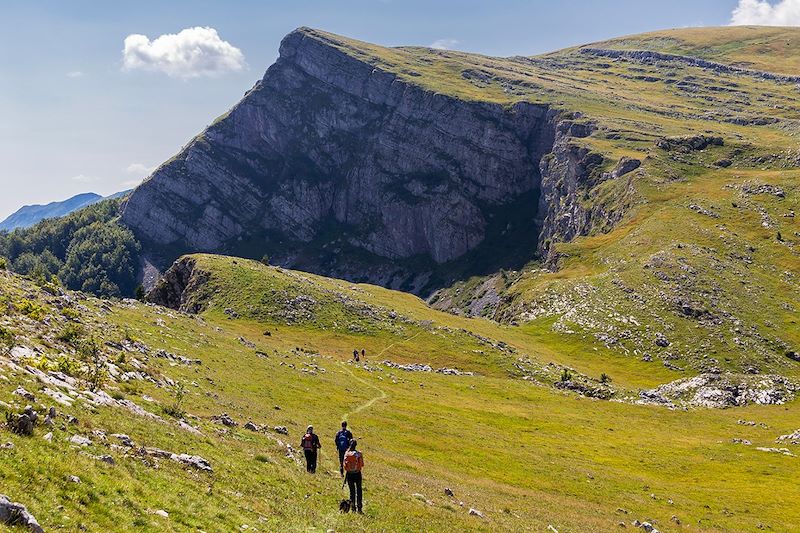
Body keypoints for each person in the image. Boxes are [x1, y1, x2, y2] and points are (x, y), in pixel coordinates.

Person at [343, 439, 364, 513]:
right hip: (357, 474)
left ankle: (353, 508)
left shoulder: (346, 453)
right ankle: (360, 508)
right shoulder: (359, 454)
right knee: (359, 491)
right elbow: (362, 464)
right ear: (356, 445)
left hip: (349, 474)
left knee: (352, 491)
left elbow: (344, 465)